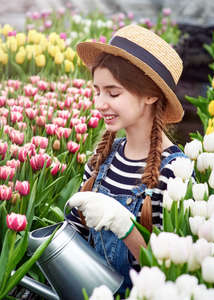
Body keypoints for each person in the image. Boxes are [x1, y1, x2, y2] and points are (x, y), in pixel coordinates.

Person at [66, 24, 189, 294]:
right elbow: (75, 242)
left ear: (150, 94)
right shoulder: (100, 162)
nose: (99, 103)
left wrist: (124, 226)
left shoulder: (174, 173)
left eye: (113, 93)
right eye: (97, 90)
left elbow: (168, 271)